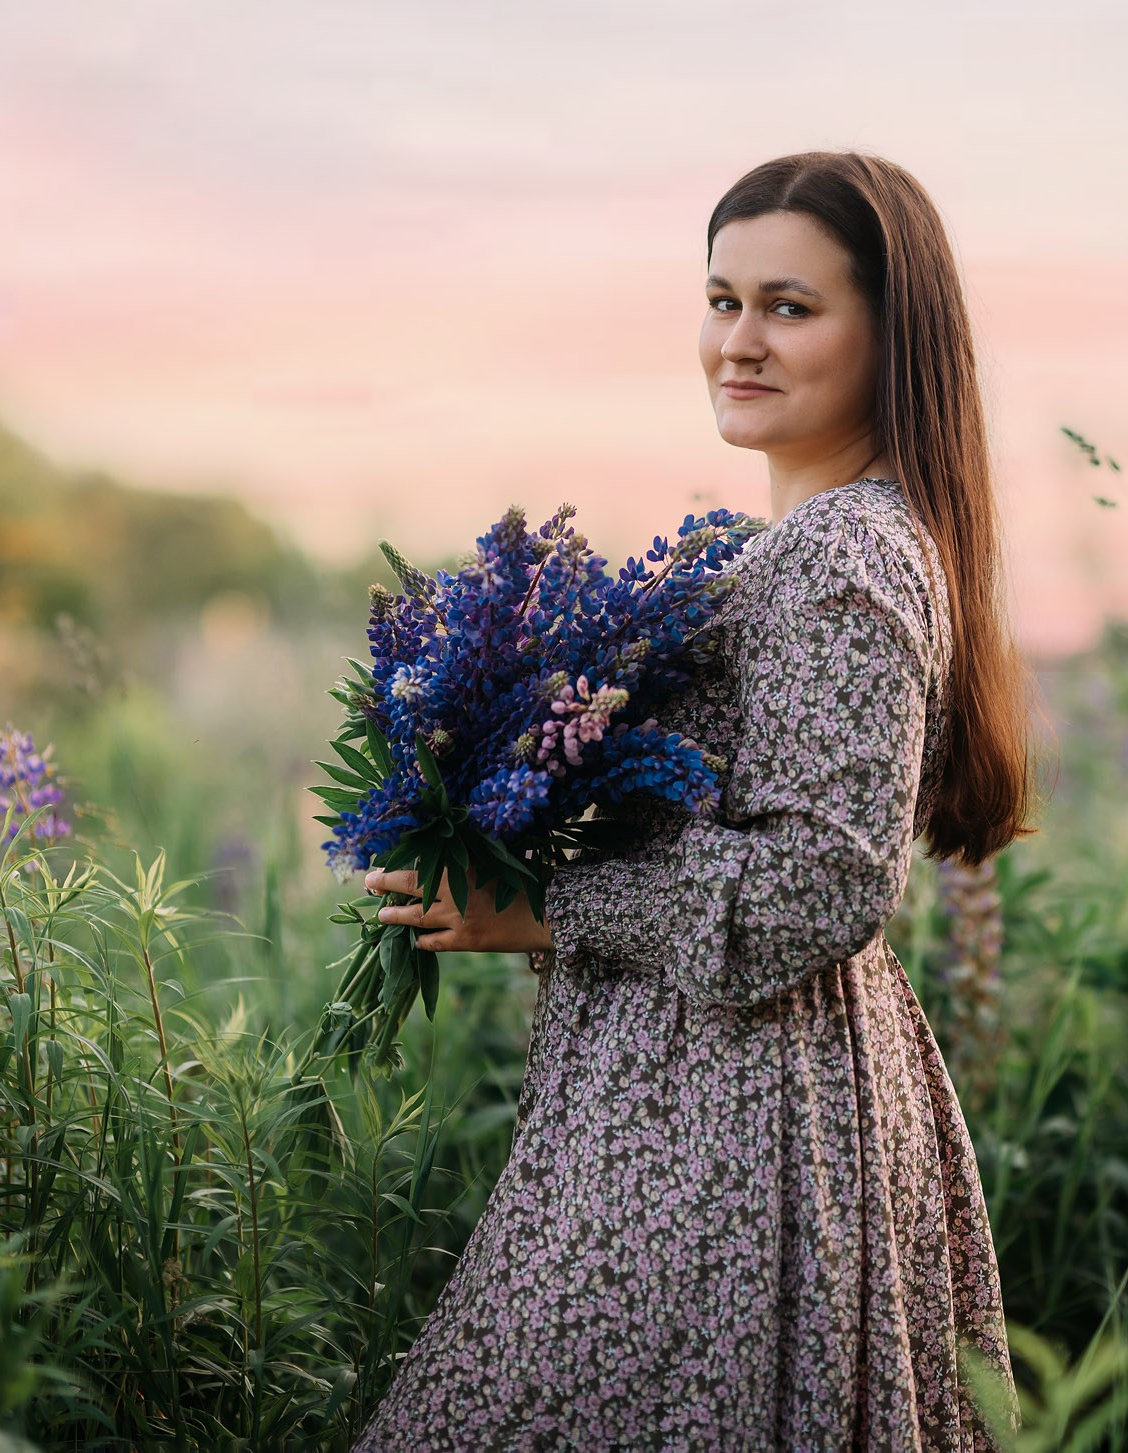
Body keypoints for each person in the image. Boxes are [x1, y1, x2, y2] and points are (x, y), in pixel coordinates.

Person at [354, 150, 1036, 1452]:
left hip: (733, 1130)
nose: (740, 340)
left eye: (790, 306)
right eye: (721, 300)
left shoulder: (847, 552)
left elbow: (824, 879)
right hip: (711, 1093)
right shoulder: (789, 547)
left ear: (893, 334)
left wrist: (544, 902)